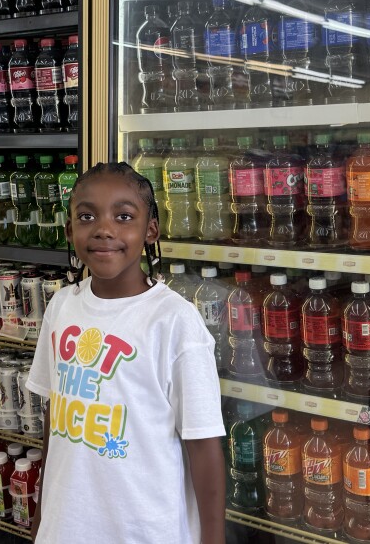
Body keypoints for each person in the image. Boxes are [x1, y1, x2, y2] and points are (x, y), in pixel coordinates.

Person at [24, 162, 226, 543]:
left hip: (145, 529)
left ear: (150, 230)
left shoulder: (174, 321)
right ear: (70, 230)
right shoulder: (61, 307)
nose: (104, 229)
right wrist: (42, 510)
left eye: (123, 216)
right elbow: (56, 414)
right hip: (67, 527)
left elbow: (203, 445)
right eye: (87, 216)